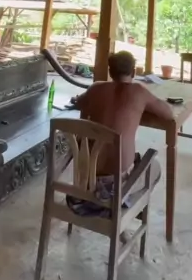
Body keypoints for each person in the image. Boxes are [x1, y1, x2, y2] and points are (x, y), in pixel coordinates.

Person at [70, 51, 174, 211]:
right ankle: (122, 206)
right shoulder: (139, 91)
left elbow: (79, 102)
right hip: (116, 184)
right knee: (155, 167)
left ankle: (109, 202)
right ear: (133, 72)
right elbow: (169, 114)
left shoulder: (95, 88)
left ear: (110, 71)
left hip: (85, 178)